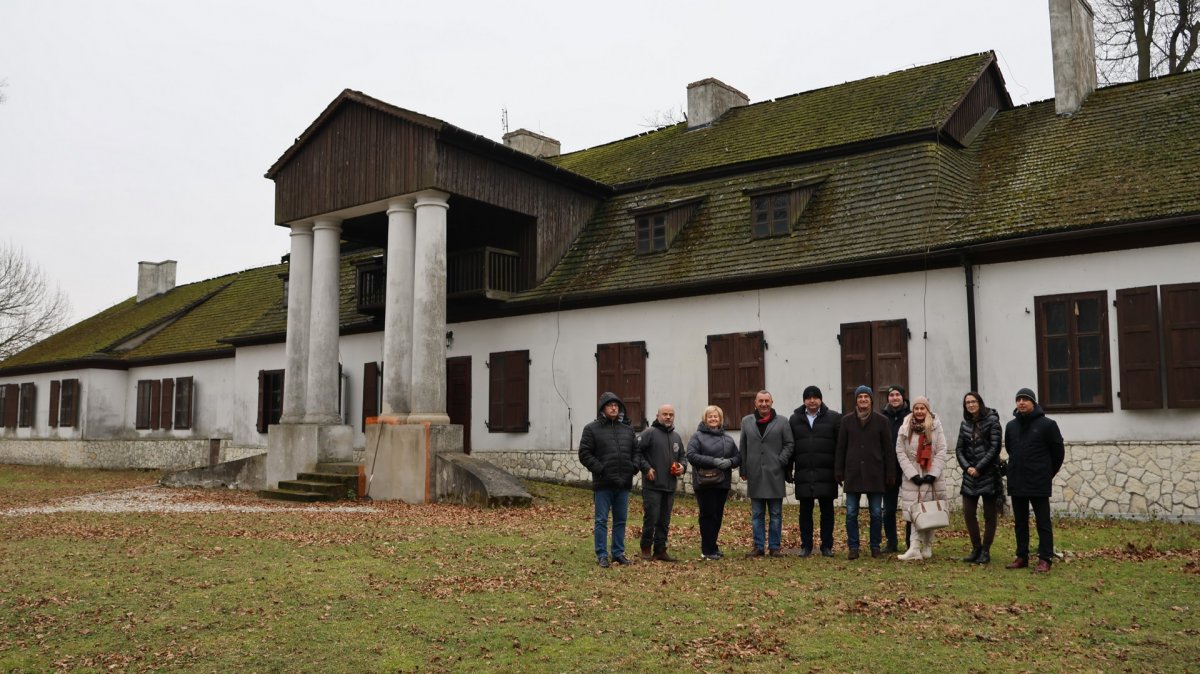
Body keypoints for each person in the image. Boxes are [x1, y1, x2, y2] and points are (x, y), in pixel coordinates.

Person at [1004, 388, 1064, 573]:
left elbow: (1058, 453)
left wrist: (1046, 473)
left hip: (1038, 481)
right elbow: (1011, 450)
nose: (1021, 402)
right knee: (1020, 522)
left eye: (1025, 399)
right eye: (1018, 399)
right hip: (1017, 480)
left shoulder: (1048, 425)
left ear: (1033, 402)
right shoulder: (1011, 426)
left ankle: (1045, 558)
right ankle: (1021, 557)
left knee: (1043, 522)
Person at [578, 391, 639, 568]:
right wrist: (601, 469)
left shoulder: (628, 430)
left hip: (623, 483)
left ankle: (618, 553)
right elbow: (584, 453)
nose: (614, 408)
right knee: (601, 521)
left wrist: (633, 468)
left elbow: (636, 451)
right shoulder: (591, 429)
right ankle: (602, 555)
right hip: (603, 484)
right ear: (602, 408)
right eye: (610, 405)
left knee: (620, 521)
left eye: (616, 405)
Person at [835, 385, 896, 559]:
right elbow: (841, 447)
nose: (863, 400)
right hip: (853, 473)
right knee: (851, 513)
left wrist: (890, 472)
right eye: (860, 397)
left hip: (875, 473)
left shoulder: (881, 421)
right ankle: (853, 547)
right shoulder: (846, 421)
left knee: (876, 513)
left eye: (866, 397)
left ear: (871, 400)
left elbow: (888, 449)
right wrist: (838, 470)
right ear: (856, 400)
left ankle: (875, 546)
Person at [787, 385, 842, 557]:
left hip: (826, 473)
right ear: (804, 400)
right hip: (804, 472)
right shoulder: (795, 419)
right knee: (805, 512)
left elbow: (840, 447)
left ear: (821, 399)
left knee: (827, 511)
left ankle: (827, 546)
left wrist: (839, 470)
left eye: (815, 397)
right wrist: (788, 469)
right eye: (808, 398)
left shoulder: (834, 418)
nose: (812, 401)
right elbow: (790, 446)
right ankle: (806, 546)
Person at [739, 391, 794, 558]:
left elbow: (789, 444)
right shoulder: (746, 421)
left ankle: (775, 547)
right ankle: (758, 546)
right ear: (755, 403)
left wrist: (780, 461)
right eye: (761, 401)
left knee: (776, 513)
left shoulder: (782, 421)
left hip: (775, 474)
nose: (764, 404)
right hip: (755, 473)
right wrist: (743, 469)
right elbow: (743, 446)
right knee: (757, 513)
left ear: (772, 402)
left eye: (766, 401)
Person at [895, 396, 948, 561]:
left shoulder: (936, 426)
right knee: (915, 511)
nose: (919, 411)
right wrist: (912, 474)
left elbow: (941, 449)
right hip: (913, 476)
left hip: (932, 474)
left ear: (927, 410)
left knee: (930, 511)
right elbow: (900, 451)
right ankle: (914, 548)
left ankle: (927, 547)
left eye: (922, 408)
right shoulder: (905, 426)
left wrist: (934, 473)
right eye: (916, 408)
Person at [686, 405, 741, 561]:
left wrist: (730, 462)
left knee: (717, 516)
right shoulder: (697, 437)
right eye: (710, 416)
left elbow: (738, 457)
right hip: (704, 482)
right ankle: (707, 550)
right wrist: (713, 461)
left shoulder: (728, 439)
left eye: (716, 416)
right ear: (705, 419)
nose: (713, 419)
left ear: (720, 419)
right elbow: (691, 455)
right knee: (707, 515)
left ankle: (713, 546)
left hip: (722, 482)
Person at [955, 391, 1003, 565]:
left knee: (990, 515)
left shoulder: (993, 421)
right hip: (970, 476)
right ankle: (976, 548)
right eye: (967, 402)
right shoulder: (965, 424)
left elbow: (995, 448)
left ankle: (986, 550)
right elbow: (959, 449)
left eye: (973, 401)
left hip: (988, 474)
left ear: (980, 403)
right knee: (969, 513)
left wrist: (979, 468)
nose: (971, 405)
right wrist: (967, 467)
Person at [636, 404, 686, 562]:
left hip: (669, 486)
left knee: (664, 520)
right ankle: (646, 548)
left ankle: (660, 550)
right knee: (651, 518)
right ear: (657, 416)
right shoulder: (649, 433)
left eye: (671, 414)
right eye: (665, 414)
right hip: (652, 485)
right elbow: (636, 452)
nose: (668, 417)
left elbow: (683, 456)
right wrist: (646, 468)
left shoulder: (676, 437)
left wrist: (682, 467)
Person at [879, 385, 910, 553]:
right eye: (891, 395)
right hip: (888, 470)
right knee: (888, 509)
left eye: (898, 394)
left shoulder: (911, 416)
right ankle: (891, 543)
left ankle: (911, 542)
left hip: (908, 469)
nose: (894, 398)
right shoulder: (881, 417)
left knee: (910, 508)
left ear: (903, 397)